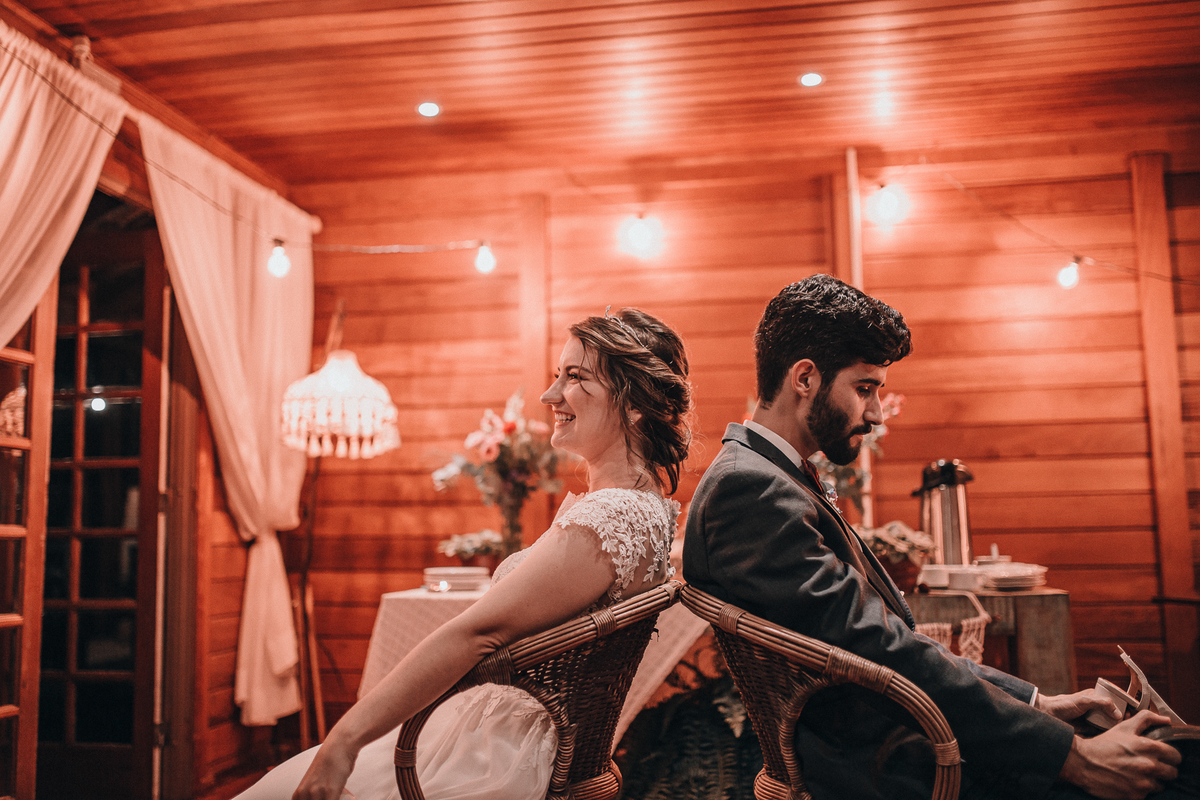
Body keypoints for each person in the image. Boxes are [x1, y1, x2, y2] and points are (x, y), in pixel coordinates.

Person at [682, 274, 1190, 800]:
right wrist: (1072, 756)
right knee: (1171, 775)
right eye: (864, 389)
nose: (875, 414)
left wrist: (1036, 703)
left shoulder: (770, 474)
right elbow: (881, 650)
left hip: (911, 738)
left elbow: (887, 643)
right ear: (805, 378)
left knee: (1161, 750)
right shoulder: (751, 490)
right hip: (894, 768)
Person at [238, 307, 692, 800]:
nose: (549, 395)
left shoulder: (612, 518)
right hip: (494, 731)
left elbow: (476, 632)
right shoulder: (643, 510)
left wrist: (342, 743)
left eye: (575, 377)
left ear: (635, 405)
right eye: (556, 375)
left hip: (488, 754)